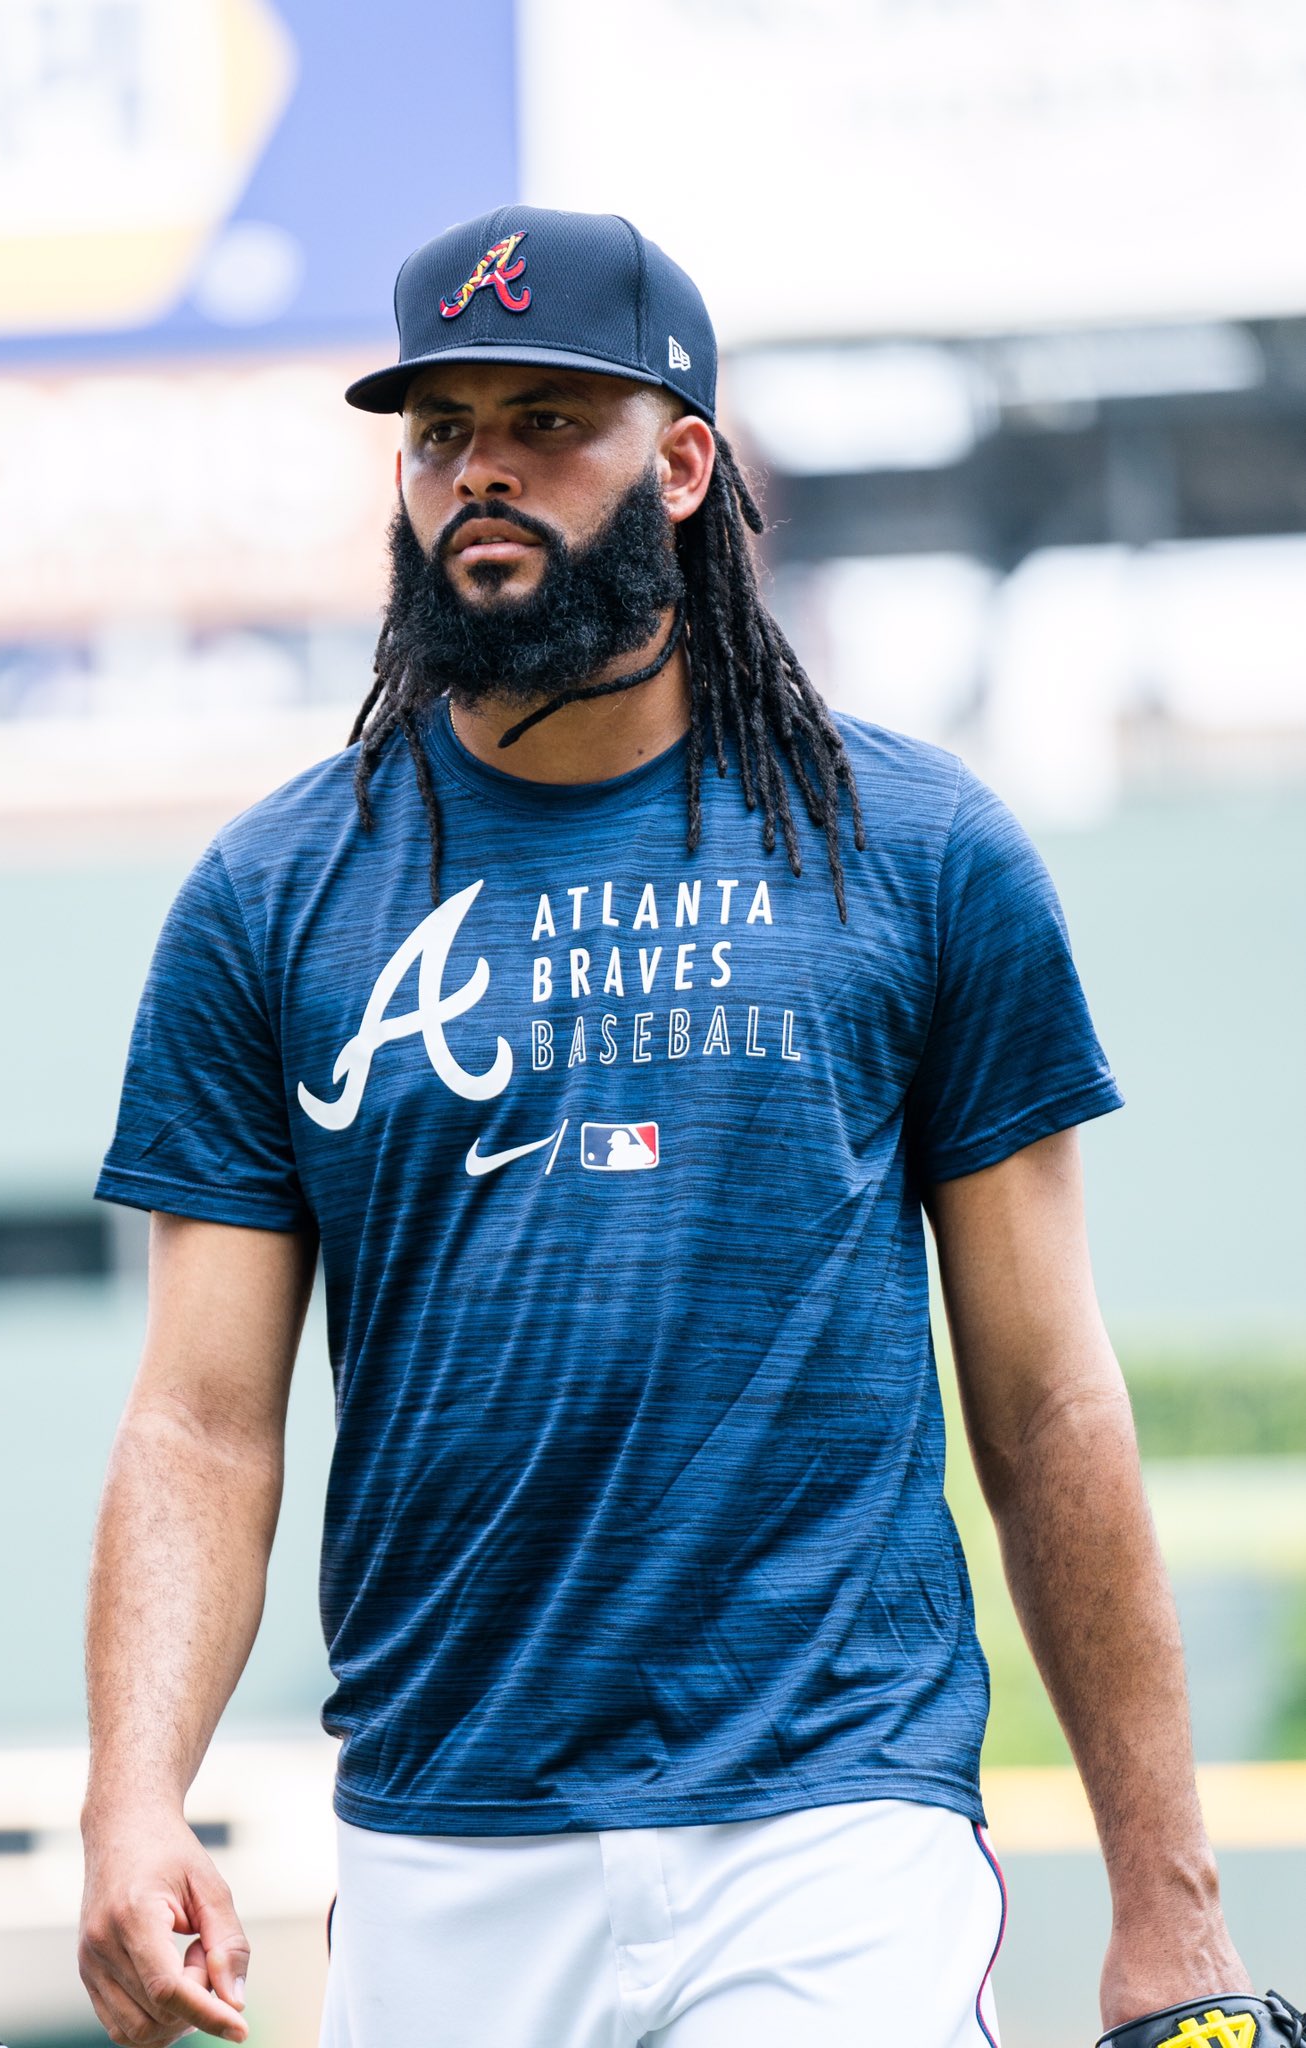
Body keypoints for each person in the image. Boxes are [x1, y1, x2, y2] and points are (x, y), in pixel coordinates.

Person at [78, 207, 1251, 2048]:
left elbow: (1044, 1404)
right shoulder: (269, 898)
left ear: (683, 463)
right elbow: (202, 1425)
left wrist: (1168, 1900)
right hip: (440, 1841)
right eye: (442, 430)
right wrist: (133, 1795)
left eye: (550, 421)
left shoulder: (922, 855)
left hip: (827, 1824)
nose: (484, 470)